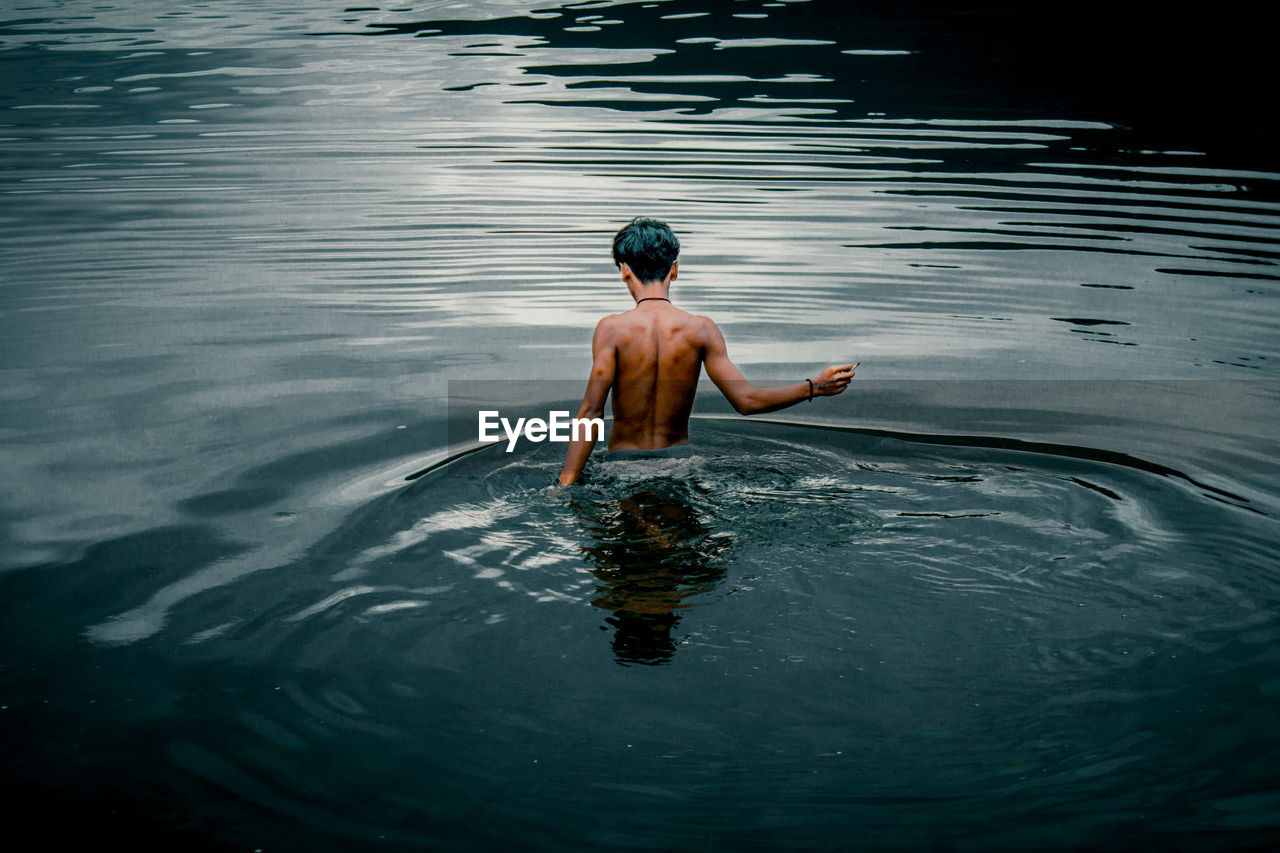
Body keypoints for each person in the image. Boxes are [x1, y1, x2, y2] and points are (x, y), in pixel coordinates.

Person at [557, 217, 855, 486]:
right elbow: (746, 401)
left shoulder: (611, 329)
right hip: (681, 466)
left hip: (623, 468)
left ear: (624, 271)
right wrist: (813, 387)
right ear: (674, 269)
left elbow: (591, 412)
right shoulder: (701, 329)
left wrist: (565, 484)